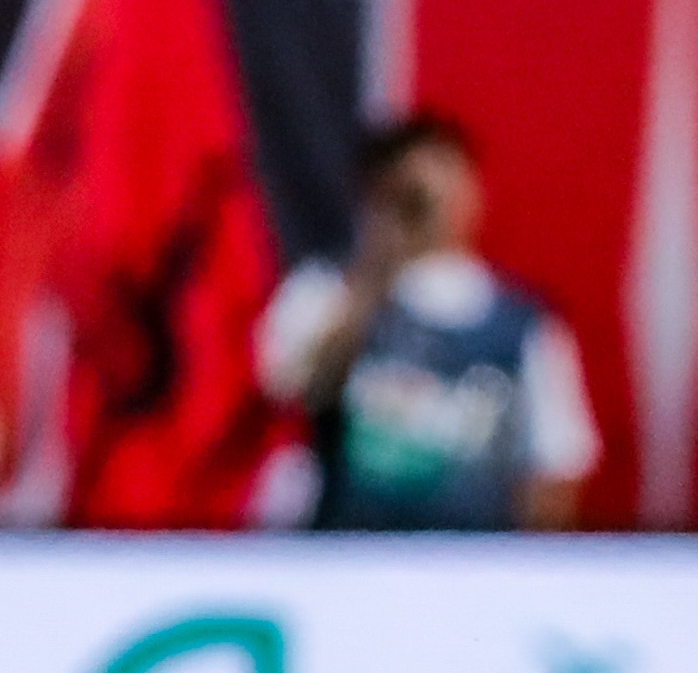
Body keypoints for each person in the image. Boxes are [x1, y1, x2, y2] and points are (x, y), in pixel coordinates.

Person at [256, 111, 600, 531]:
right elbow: (284, 391)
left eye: (444, 174)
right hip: (347, 555)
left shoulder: (523, 325)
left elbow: (555, 464)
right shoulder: (325, 290)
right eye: (403, 189)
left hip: (469, 561)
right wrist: (378, 267)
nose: (424, 199)